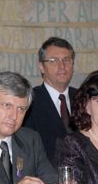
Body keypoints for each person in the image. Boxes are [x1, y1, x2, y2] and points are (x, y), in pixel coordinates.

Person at [23, 37, 77, 165]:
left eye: (67, 60)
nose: (62, 66)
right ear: (41, 67)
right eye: (54, 61)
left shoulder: (84, 98)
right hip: (46, 179)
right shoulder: (29, 101)